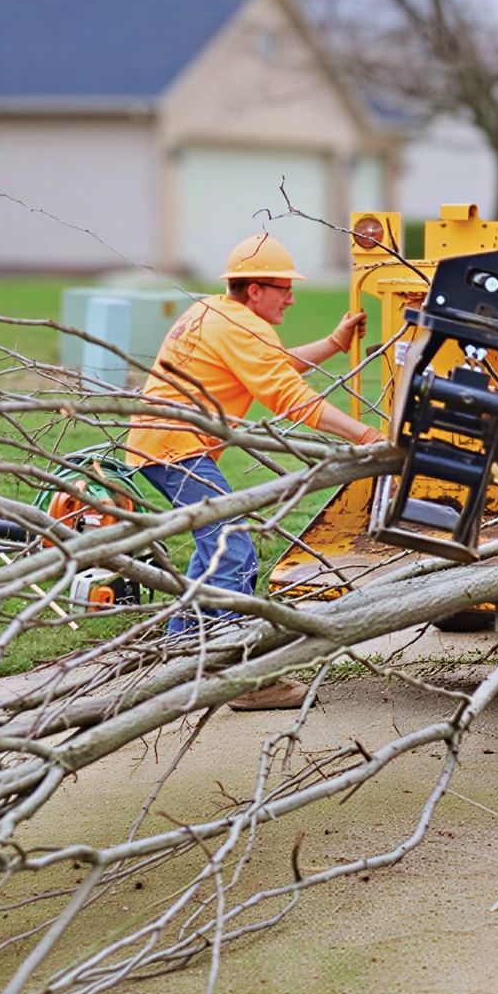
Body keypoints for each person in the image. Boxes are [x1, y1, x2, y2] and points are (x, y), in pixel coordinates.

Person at [126, 231, 382, 708]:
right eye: (282, 287)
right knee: (233, 549)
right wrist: (366, 436)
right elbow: (286, 395)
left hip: (158, 444)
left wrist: (332, 343)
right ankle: (241, 678)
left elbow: (272, 367)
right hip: (175, 448)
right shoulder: (241, 326)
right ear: (255, 290)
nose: (291, 296)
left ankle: (178, 657)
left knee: (213, 551)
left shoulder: (215, 311)